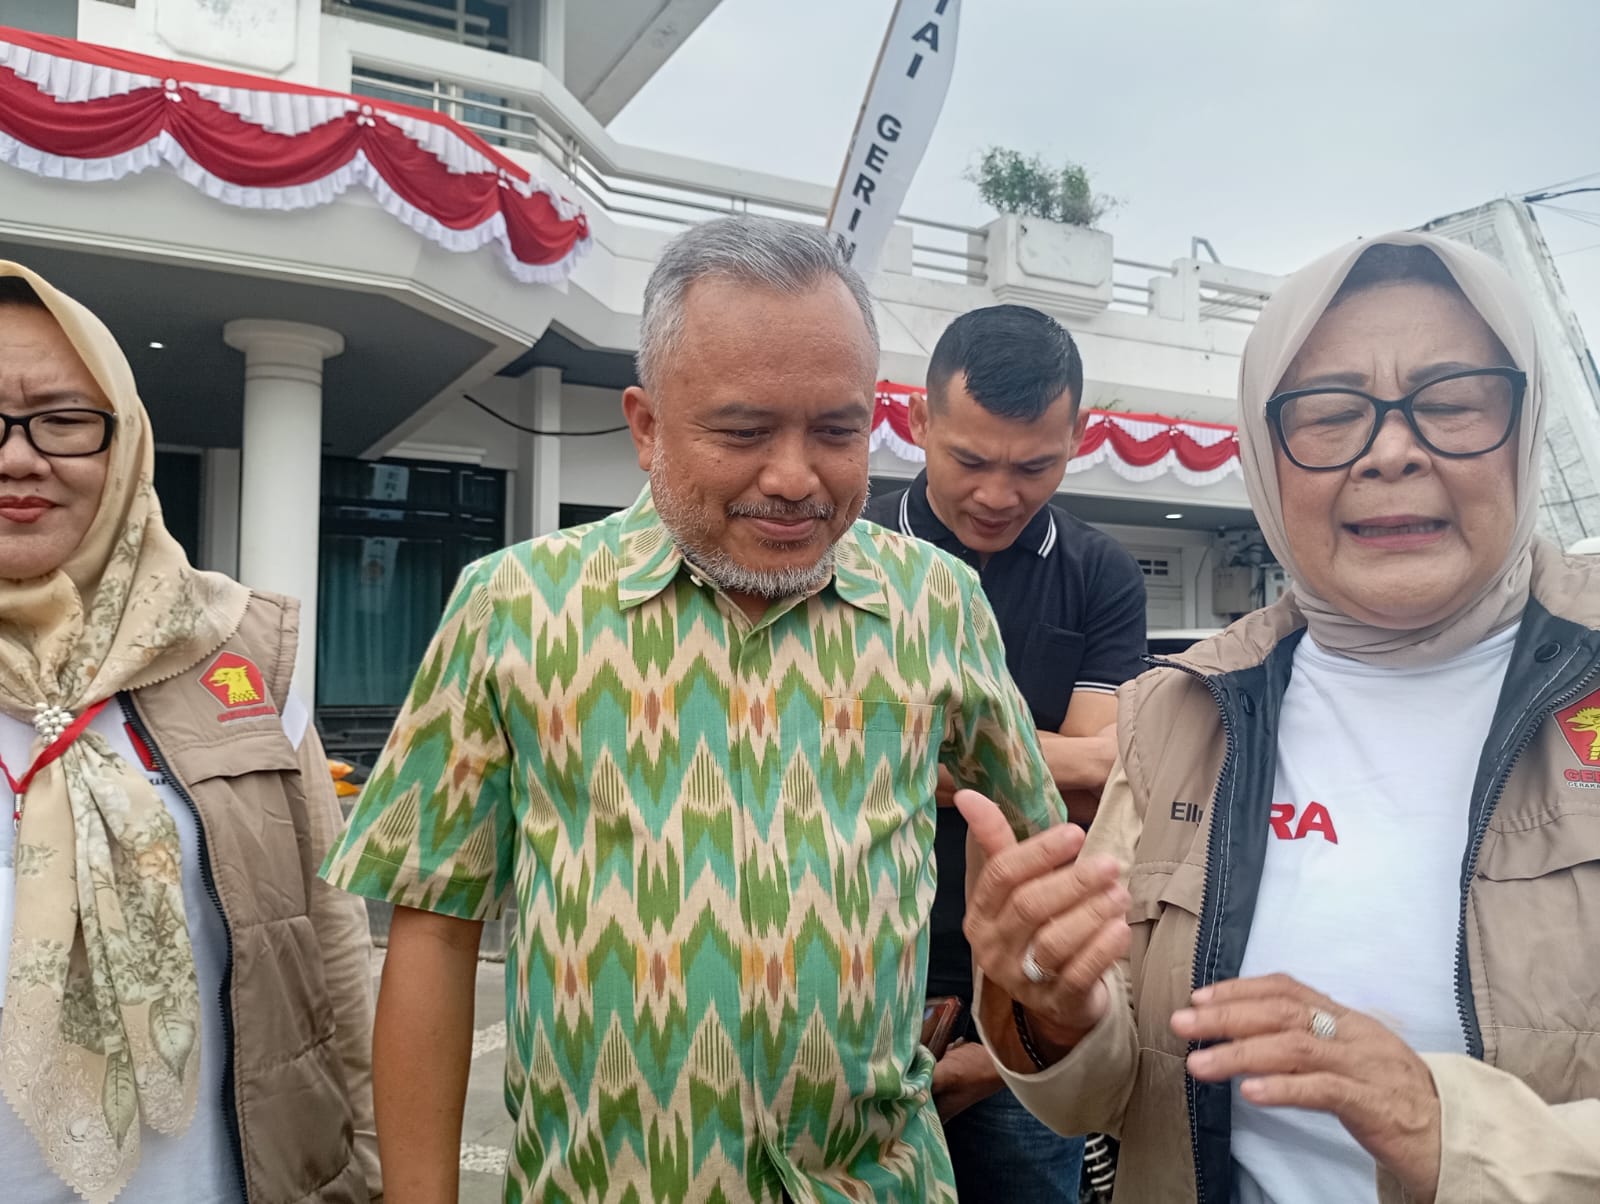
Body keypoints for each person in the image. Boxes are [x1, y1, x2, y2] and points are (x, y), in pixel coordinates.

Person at [321, 215, 1067, 1204]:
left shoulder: (937, 604)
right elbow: (434, 924)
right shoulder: (514, 609)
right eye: (744, 431)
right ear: (645, 426)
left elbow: (1037, 865)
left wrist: (1012, 1045)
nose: (794, 478)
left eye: (836, 431)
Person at [956, 230, 1600, 1202]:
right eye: (1330, 416)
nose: (1391, 451)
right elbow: (1109, 1092)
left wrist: (1451, 1130)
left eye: (1452, 402)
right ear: (1266, 457)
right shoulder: (1183, 709)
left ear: (1524, 420)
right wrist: (1047, 1009)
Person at [0, 265, 379, 1202]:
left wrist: (371, 1171)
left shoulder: (238, 656)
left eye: (63, 419)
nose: (19, 458)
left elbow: (330, 948)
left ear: (125, 440)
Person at [861, 304, 1146, 1199]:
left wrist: (915, 741)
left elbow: (1104, 782)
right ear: (918, 422)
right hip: (849, 982)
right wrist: (1043, 763)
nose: (998, 495)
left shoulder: (1100, 574)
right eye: (971, 460)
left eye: (1033, 467)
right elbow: (826, 746)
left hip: (1023, 993)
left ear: (1078, 439)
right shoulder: (851, 551)